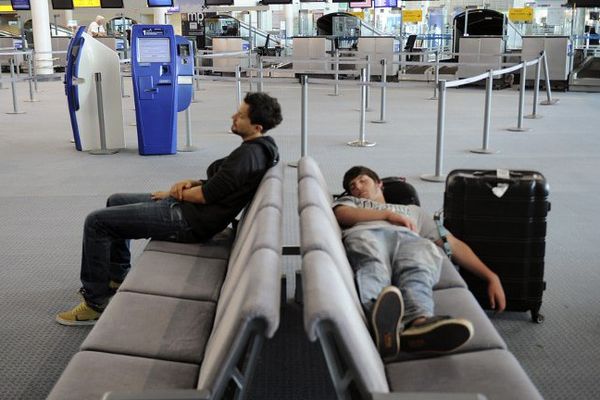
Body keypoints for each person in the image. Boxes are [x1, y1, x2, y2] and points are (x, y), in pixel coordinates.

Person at [56, 92, 282, 326]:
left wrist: (175, 192)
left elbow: (206, 196)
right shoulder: (256, 147)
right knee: (116, 200)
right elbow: (221, 185)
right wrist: (191, 183)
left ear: (256, 126)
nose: (234, 117)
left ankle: (95, 304)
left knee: (96, 222)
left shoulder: (249, 155)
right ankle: (116, 276)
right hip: (188, 209)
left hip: (188, 221)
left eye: (241, 116)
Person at [332, 166, 506, 360]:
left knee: (419, 264)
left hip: (409, 239)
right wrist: (387, 215)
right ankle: (381, 322)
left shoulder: (413, 211)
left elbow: (452, 243)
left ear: (379, 183)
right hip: (367, 235)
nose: (358, 187)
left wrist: (490, 276)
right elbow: (343, 214)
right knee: (373, 264)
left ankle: (418, 324)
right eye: (352, 186)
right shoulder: (352, 202)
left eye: (363, 180)